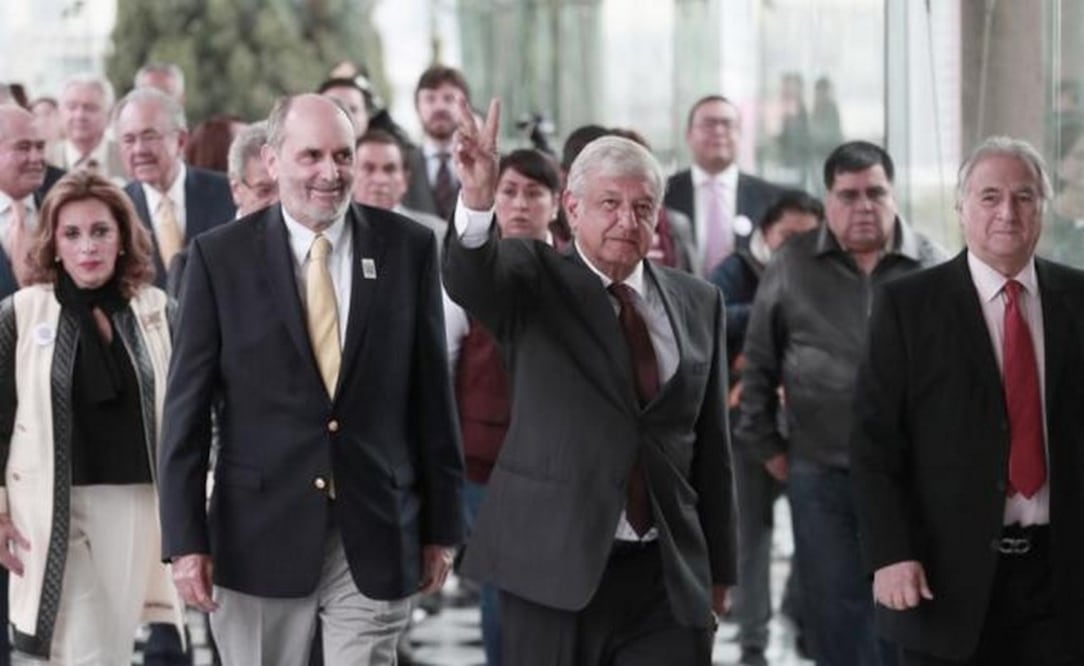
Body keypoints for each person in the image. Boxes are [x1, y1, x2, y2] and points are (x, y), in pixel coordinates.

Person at [157, 93, 463, 666]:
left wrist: (443, 527)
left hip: (374, 528)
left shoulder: (409, 248)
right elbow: (185, 414)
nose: (331, 172)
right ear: (272, 160)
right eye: (312, 156)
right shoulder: (218, 259)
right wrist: (184, 541)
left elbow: (431, 399)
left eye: (343, 155)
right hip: (257, 536)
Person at [445, 99, 736, 666]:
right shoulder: (533, 277)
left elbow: (712, 449)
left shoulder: (700, 301)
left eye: (642, 207)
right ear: (572, 210)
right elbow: (471, 277)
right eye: (610, 204)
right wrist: (478, 199)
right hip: (553, 570)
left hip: (665, 575)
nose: (627, 221)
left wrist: (719, 569)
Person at [851, 136, 1084, 666]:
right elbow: (873, 443)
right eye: (990, 196)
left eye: (1024, 196)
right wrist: (890, 552)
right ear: (961, 208)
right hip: (944, 576)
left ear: (1043, 207)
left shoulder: (1077, 299)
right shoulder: (908, 305)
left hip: (1060, 577)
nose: (1008, 212)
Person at [737, 141, 946, 666]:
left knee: (905, 610)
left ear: (893, 194)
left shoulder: (931, 263)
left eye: (876, 193)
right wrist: (769, 447)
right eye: (848, 195)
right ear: (828, 199)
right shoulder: (793, 263)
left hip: (910, 478)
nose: (864, 206)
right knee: (835, 613)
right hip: (821, 471)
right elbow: (759, 362)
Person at [0, 170, 184, 663]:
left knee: (108, 644)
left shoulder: (158, 310)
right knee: (85, 647)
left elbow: (191, 410)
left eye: (101, 231)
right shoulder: (22, 313)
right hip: (46, 504)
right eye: (72, 234)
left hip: (134, 503)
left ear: (122, 238)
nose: (88, 246)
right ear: (54, 244)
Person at [444, 147, 561, 666]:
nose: (519, 204)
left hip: (561, 460)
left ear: (557, 203)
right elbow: (445, 361)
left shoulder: (575, 270)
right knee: (503, 579)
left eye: (533, 193)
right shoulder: (468, 273)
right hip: (485, 458)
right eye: (508, 192)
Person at [708, 190, 822, 666]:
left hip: (812, 427)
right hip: (746, 426)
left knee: (817, 532)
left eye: (808, 237)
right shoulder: (736, 270)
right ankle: (753, 642)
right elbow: (707, 314)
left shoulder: (827, 272)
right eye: (786, 236)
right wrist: (771, 313)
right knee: (750, 539)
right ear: (765, 233)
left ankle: (800, 617)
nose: (796, 247)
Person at [114, 88, 234, 287]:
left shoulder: (227, 193)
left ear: (181, 140)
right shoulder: (116, 208)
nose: (139, 149)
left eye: (150, 136)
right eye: (129, 140)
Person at [664, 95, 787, 276]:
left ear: (740, 134)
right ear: (688, 134)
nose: (719, 131)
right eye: (709, 124)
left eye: (727, 124)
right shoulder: (663, 193)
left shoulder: (772, 199)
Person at [352, 129, 446, 245]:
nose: (380, 179)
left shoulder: (437, 233)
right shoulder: (334, 232)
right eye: (369, 169)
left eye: (389, 169)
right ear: (351, 176)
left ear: (405, 180)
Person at [402, 65, 471, 219]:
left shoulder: (487, 167)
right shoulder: (399, 164)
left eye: (449, 98)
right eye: (430, 99)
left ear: (466, 107)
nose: (440, 107)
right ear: (417, 107)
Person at [46, 74, 125, 181]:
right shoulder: (45, 162)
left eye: (90, 108)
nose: (80, 115)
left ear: (109, 114)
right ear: (60, 112)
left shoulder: (126, 158)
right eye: (72, 107)